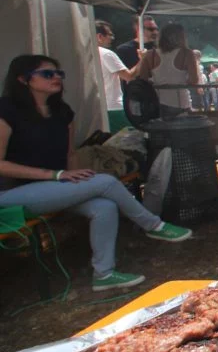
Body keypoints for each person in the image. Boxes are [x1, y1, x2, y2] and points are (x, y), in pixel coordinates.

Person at [0, 55, 192, 291]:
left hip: (54, 188)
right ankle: (153, 225)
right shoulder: (6, 111)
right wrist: (56, 177)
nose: (56, 78)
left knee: (104, 206)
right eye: (47, 74)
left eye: (59, 73)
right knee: (104, 182)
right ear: (23, 79)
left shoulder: (62, 112)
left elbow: (70, 155)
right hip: (12, 195)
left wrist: (74, 186)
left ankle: (103, 273)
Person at [137, 23, 200, 119]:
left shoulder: (150, 55)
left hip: (157, 101)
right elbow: (194, 80)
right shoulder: (186, 54)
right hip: (180, 102)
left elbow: (143, 79)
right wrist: (180, 83)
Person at [96, 20, 134, 133]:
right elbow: (128, 77)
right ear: (99, 36)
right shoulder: (106, 54)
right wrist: (143, 60)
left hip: (100, 107)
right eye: (110, 34)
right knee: (127, 141)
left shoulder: (89, 54)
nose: (112, 38)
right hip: (114, 107)